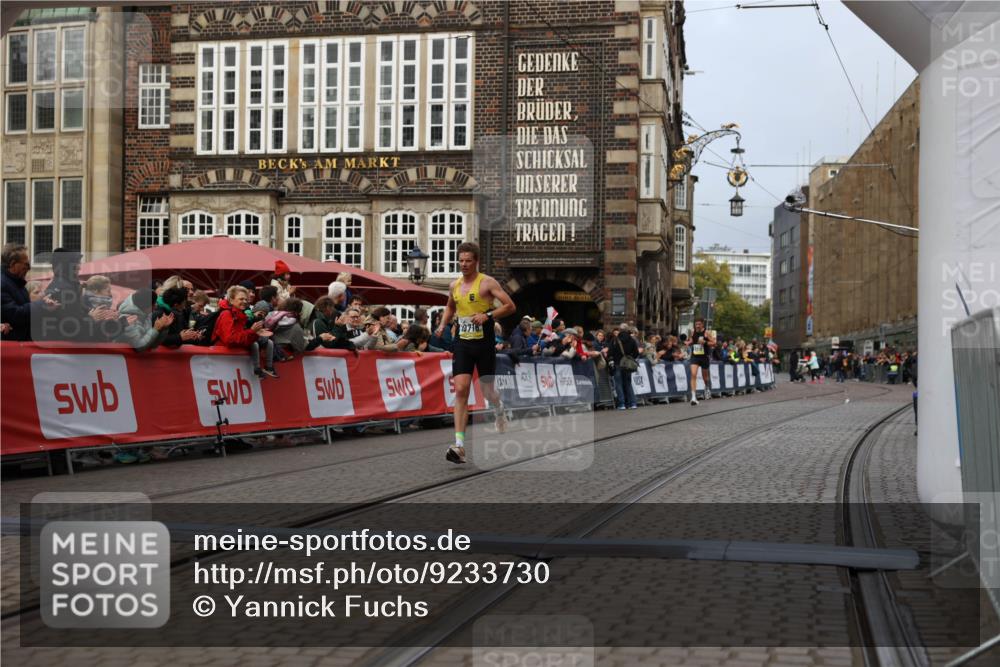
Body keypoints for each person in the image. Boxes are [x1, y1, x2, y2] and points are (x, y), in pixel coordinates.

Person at [435, 242, 516, 464]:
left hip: (484, 343)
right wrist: (443, 324)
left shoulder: (487, 283)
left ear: (476, 261)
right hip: (462, 341)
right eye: (461, 260)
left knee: (488, 392)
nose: (464, 264)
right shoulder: (454, 285)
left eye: (468, 260)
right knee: (461, 389)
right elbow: (450, 306)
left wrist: (488, 315)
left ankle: (499, 409)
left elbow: (510, 306)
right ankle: (459, 445)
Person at [212, 285, 278, 379]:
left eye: (246, 299)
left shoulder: (240, 314)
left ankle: (261, 369)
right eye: (241, 299)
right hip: (223, 361)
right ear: (231, 300)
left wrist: (256, 333)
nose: (244, 302)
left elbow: (243, 338)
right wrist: (252, 331)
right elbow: (230, 339)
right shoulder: (227, 314)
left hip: (232, 361)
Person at [1, 243, 59, 340]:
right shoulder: (3, 284)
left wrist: (44, 307)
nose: (29, 269)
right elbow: (15, 314)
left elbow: (25, 311)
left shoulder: (18, 283)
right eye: (26, 264)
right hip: (11, 348)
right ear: (13, 264)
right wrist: (40, 304)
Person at [117, 287, 174, 352]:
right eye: (154, 303)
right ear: (147, 305)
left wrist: (162, 328)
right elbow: (139, 347)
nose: (156, 306)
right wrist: (155, 329)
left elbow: (152, 345)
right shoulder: (129, 319)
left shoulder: (145, 315)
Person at [609, 323, 639, 410]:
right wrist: (630, 358)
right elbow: (636, 353)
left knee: (618, 384)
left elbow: (610, 352)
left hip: (618, 364)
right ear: (627, 330)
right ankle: (632, 403)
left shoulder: (615, 340)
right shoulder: (632, 340)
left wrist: (612, 361)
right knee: (628, 384)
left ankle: (622, 404)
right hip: (628, 365)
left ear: (620, 330)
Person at [687, 318, 716, 405]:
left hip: (704, 357)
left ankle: (707, 387)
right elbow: (692, 340)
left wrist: (705, 342)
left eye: (699, 324)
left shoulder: (707, 332)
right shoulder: (693, 331)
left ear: (702, 324)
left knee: (705, 377)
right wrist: (688, 343)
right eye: (696, 324)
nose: (697, 326)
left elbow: (714, 343)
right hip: (695, 356)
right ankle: (693, 397)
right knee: (693, 374)